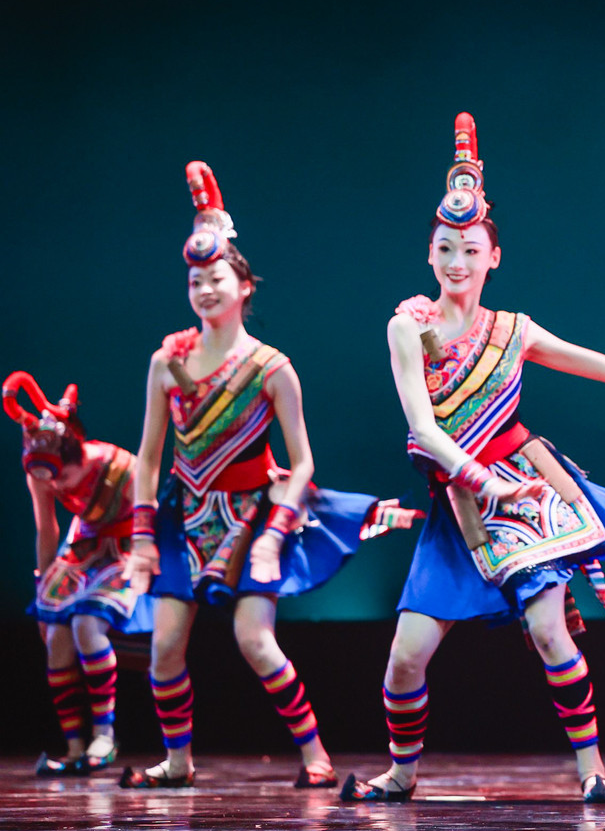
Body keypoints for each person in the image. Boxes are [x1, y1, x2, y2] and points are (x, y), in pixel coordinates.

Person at [341, 113, 605, 805]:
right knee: (404, 659)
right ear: (430, 254)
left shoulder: (514, 330)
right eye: (446, 248)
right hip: (461, 505)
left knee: (549, 632)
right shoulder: (408, 328)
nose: (457, 260)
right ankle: (402, 772)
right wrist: (485, 485)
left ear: (494, 257)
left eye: (470, 248)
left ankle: (593, 771)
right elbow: (423, 429)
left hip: (525, 496)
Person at [122, 162, 416, 789]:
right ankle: (178, 761)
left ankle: (314, 755)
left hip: (253, 516)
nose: (205, 289)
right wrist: (143, 537)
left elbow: (303, 461)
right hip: (183, 517)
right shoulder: (167, 363)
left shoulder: (270, 367)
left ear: (244, 285)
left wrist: (273, 534)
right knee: (165, 646)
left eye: (216, 278)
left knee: (255, 641)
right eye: (195, 281)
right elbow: (148, 457)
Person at [8, 373, 152, 776]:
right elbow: (48, 530)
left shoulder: (118, 466)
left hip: (125, 544)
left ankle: (104, 736)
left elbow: (149, 516)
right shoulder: (42, 472)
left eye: (64, 478)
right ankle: (74, 747)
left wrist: (145, 561)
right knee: (56, 638)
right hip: (83, 546)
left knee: (88, 625)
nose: (57, 486)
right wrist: (43, 587)